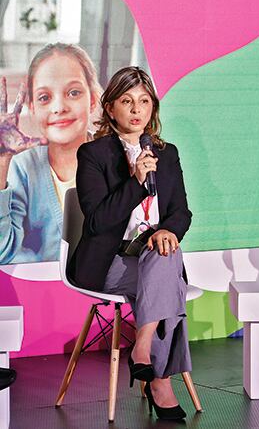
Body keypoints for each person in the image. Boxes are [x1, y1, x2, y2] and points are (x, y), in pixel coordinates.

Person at [71, 67, 192, 420]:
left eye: (144, 101)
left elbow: (181, 212)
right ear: (110, 108)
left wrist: (168, 230)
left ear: (152, 108)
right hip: (111, 262)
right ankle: (160, 381)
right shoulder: (93, 155)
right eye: (127, 101)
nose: (136, 110)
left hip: (153, 257)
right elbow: (96, 222)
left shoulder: (166, 153)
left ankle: (141, 348)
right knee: (171, 285)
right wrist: (136, 181)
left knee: (166, 252)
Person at [1, 43, 103, 264]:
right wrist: (2, 162)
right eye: (44, 98)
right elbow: (2, 251)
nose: (59, 107)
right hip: (42, 296)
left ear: (93, 99)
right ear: (33, 107)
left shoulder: (116, 158)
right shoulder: (22, 167)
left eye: (73, 93)